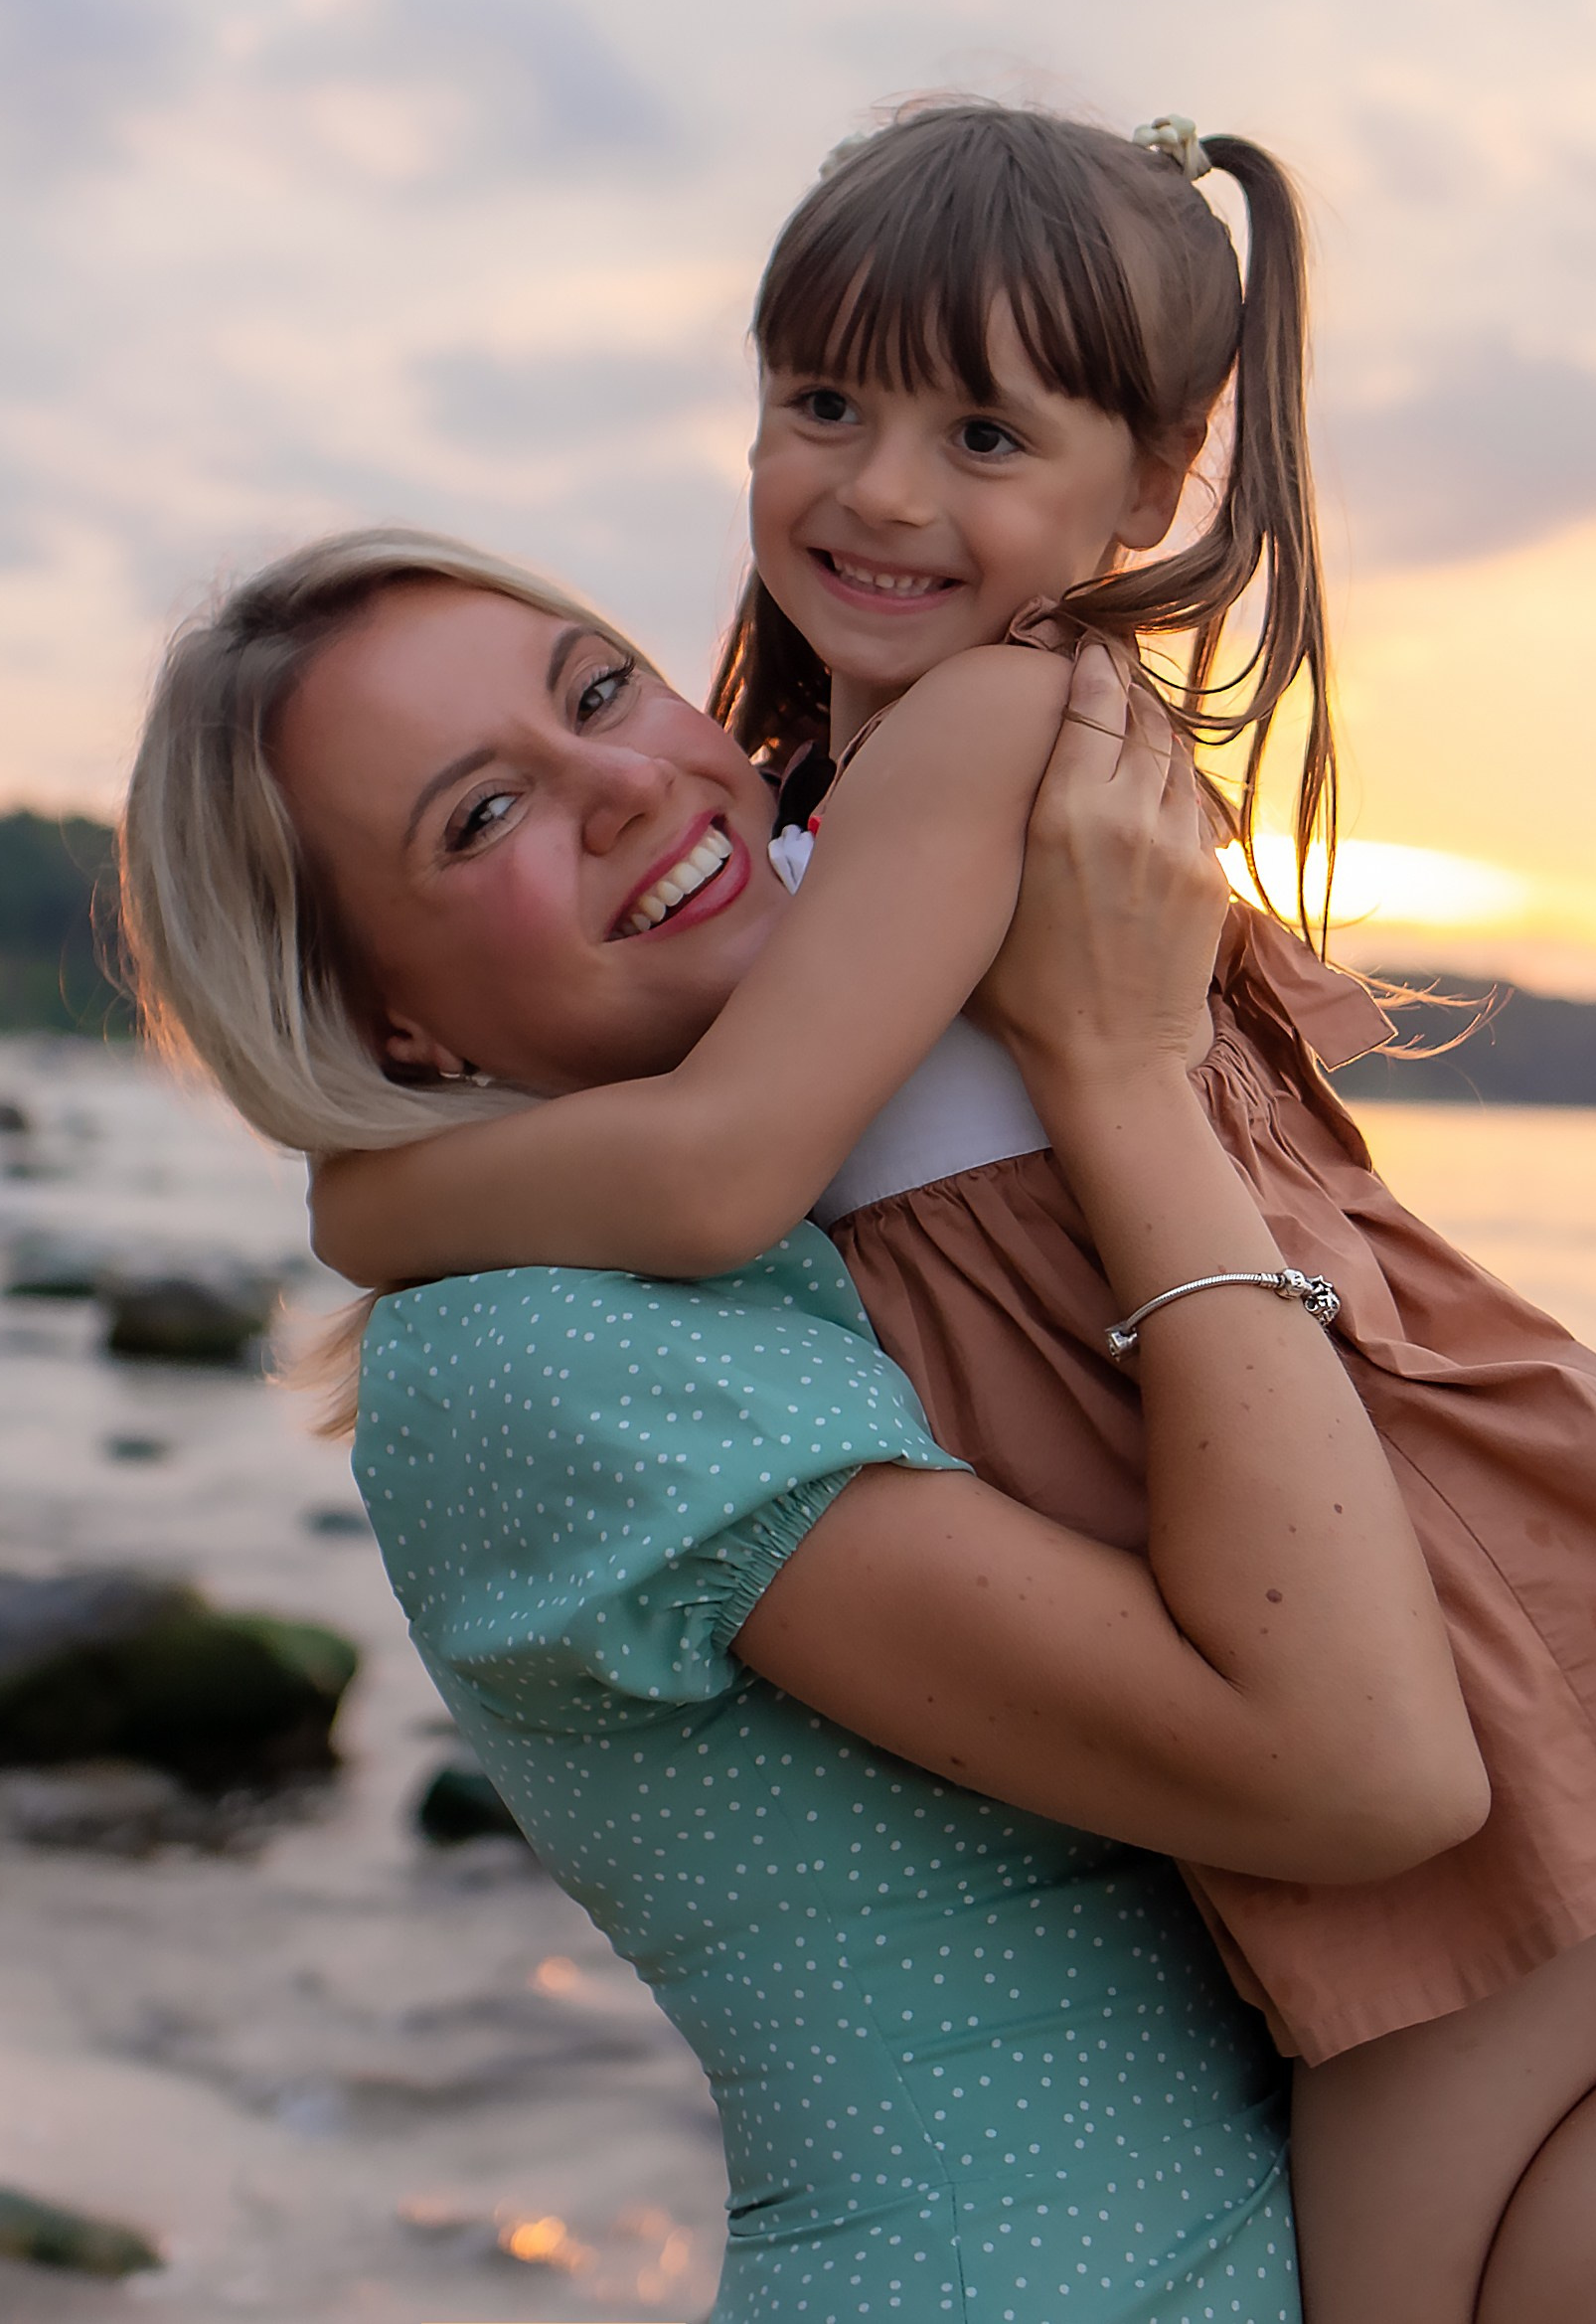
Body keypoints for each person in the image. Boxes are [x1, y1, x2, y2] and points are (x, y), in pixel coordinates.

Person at [306, 101, 1596, 2324]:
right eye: (825, 403)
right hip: (1338, 1558)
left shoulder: (990, 726)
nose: (883, 490)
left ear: (1154, 482)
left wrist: (367, 1198)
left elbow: (721, 1173)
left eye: (985, 434)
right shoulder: (841, 805)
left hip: (1417, 1576)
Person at [122, 529, 1489, 2323]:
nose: (624, 784)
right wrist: (1118, 1069)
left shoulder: (814, 1218)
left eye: (600, 691)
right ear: (391, 1022)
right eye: (481, 816)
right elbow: (1364, 1772)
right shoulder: (535, 1351)